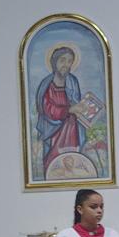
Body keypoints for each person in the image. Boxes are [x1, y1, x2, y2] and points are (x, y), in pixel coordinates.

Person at [36, 46, 86, 174]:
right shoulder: (47, 84)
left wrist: (84, 109)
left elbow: (76, 101)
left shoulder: (73, 81)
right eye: (62, 60)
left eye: (69, 61)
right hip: (54, 130)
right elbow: (47, 109)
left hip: (72, 128)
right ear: (54, 62)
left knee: (72, 157)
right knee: (54, 161)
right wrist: (68, 110)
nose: (66, 64)